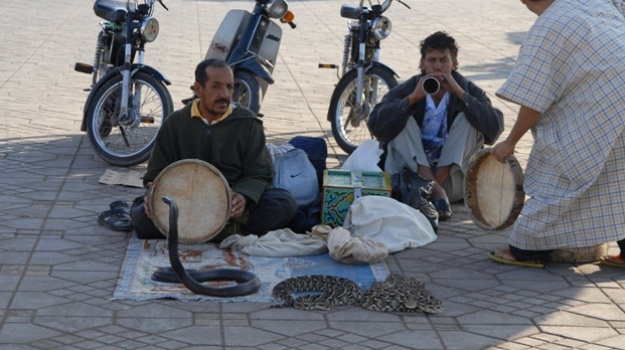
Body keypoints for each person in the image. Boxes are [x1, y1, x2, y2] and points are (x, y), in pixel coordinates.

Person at [489, 0, 625, 268]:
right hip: (612, 92)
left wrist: (511, 141)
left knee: (565, 169)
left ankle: (526, 246)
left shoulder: (548, 25)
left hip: (604, 101)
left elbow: (534, 98)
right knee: (620, 173)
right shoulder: (591, 2)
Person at [131, 58, 297, 240]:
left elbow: (261, 172)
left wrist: (243, 196)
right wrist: (153, 195)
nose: (225, 94)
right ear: (198, 89)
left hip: (230, 200)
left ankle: (216, 225)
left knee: (284, 203)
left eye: (230, 87)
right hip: (185, 200)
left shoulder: (247, 123)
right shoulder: (176, 123)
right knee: (141, 216)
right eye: (216, 86)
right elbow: (155, 174)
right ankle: (228, 229)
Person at [368, 31, 504, 220]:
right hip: (410, 178)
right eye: (432, 60)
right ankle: (436, 192)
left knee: (468, 118)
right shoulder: (410, 87)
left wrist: (460, 94)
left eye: (444, 60)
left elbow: (494, 130)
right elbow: (376, 126)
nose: (438, 66)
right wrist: (411, 99)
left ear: (454, 63)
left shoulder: (467, 89)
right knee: (401, 117)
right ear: (422, 63)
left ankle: (433, 188)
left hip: (453, 181)